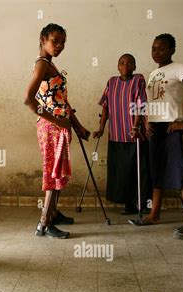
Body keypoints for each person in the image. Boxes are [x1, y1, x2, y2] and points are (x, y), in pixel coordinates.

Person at [129, 33, 183, 239]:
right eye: (154, 48)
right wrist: (147, 120)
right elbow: (150, 102)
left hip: (170, 127)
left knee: (178, 172)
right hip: (155, 128)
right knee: (156, 172)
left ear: (172, 50)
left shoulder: (179, 68)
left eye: (162, 48)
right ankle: (154, 215)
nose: (156, 52)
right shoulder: (152, 74)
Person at [24, 23, 90, 239]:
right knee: (53, 174)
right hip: (51, 128)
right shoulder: (42, 65)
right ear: (43, 39)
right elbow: (28, 100)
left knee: (58, 172)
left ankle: (53, 212)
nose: (60, 45)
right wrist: (58, 121)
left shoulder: (49, 64)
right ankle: (44, 223)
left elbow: (63, 102)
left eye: (63, 42)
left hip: (59, 126)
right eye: (55, 41)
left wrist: (77, 125)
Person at [93, 54, 152, 215]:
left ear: (134, 66)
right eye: (122, 63)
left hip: (135, 136)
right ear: (118, 66)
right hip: (116, 135)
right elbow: (105, 107)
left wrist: (136, 126)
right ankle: (129, 204)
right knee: (122, 171)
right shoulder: (111, 82)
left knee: (140, 171)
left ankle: (144, 203)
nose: (125, 65)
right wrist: (101, 128)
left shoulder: (138, 79)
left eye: (129, 63)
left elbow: (141, 105)